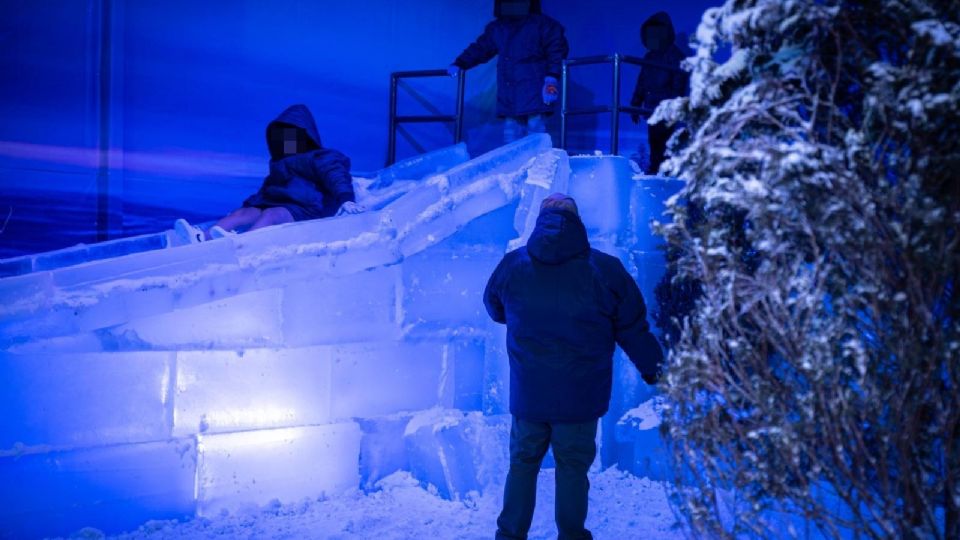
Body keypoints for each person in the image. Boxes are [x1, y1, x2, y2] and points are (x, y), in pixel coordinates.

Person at [483, 193, 663, 540]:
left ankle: (509, 535)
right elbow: (633, 327)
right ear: (578, 222)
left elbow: (495, 308)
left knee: (522, 464)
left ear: (540, 220)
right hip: (581, 397)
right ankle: (571, 536)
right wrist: (654, 367)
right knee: (572, 469)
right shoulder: (606, 270)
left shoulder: (512, 265)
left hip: (529, 394)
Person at [174, 104, 364, 243]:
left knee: (272, 215)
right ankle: (202, 239)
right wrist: (247, 205)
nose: (286, 141)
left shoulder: (320, 157)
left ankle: (241, 244)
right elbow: (266, 191)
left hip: (307, 208)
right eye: (282, 138)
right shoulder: (279, 164)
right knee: (244, 213)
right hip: (278, 203)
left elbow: (336, 175)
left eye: (290, 136)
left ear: (304, 135)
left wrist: (345, 198)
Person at [448, 0, 569, 143]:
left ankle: (538, 164)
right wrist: (460, 63)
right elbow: (481, 48)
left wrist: (551, 79)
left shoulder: (543, 25)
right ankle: (518, 164)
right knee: (513, 135)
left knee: (534, 132)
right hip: (511, 90)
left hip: (533, 88)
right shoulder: (498, 28)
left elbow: (556, 51)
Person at [629, 11, 689, 175]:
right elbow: (642, 82)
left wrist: (674, 108)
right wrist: (635, 104)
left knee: (665, 145)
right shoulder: (649, 56)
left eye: (656, 32)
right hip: (651, 109)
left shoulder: (675, 56)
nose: (653, 37)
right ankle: (656, 172)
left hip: (666, 110)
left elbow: (678, 84)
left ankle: (665, 174)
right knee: (655, 144)